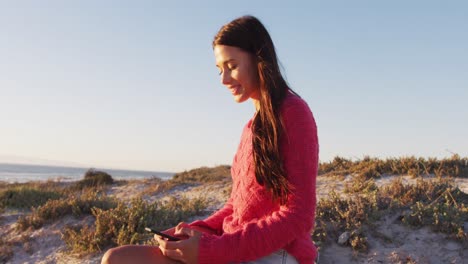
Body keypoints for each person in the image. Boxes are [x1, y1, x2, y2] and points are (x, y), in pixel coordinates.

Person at [101, 15, 319, 264]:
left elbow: (299, 215)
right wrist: (195, 232)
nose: (224, 79)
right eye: (220, 70)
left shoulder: (293, 112)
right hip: (232, 245)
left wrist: (212, 250)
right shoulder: (250, 128)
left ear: (258, 59)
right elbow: (236, 208)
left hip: (276, 253)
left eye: (232, 65)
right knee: (118, 258)